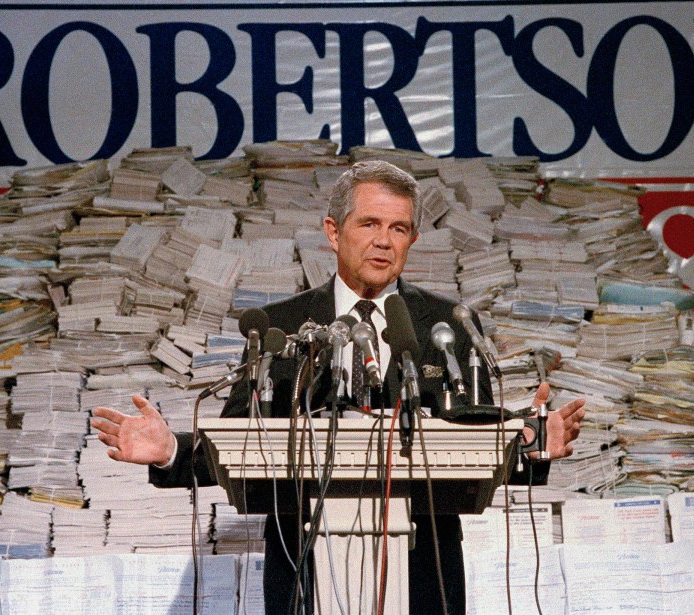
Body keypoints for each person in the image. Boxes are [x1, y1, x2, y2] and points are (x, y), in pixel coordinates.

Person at [92, 160, 586, 614]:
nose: (384, 241)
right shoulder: (281, 325)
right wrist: (170, 451)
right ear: (334, 231)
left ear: (413, 238)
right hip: (304, 570)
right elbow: (240, 441)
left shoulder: (447, 323)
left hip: (425, 576)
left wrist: (530, 443)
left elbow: (477, 443)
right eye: (369, 224)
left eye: (399, 229)